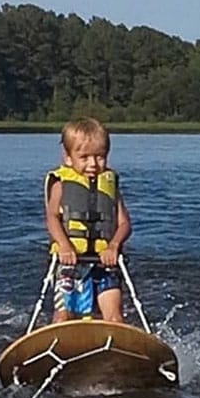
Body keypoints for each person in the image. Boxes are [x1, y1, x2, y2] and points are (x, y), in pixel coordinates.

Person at [45, 117, 132, 323]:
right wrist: (65, 246)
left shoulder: (109, 184)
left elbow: (124, 223)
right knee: (64, 316)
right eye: (84, 157)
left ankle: (114, 347)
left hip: (105, 264)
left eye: (100, 157)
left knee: (114, 317)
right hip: (70, 263)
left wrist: (113, 246)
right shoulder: (61, 184)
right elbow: (52, 218)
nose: (93, 164)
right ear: (68, 157)